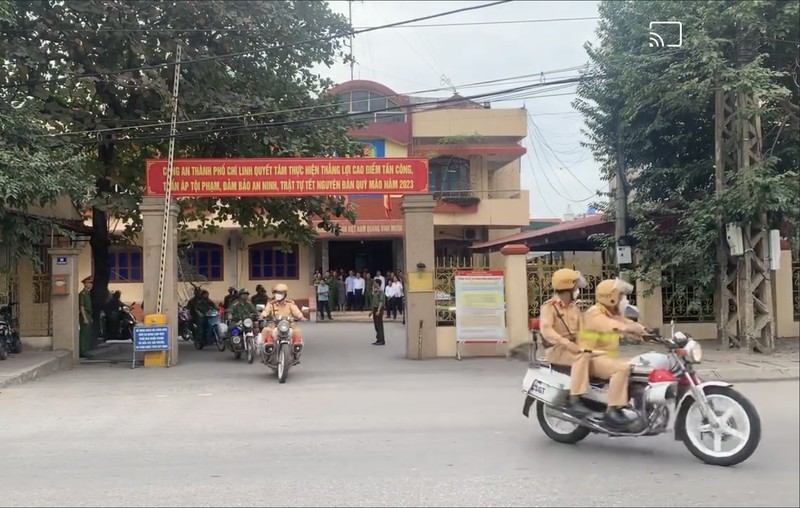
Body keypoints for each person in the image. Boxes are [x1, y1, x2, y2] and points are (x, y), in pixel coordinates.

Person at [577, 277, 648, 427]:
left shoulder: (611, 313)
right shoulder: (594, 313)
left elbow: (626, 323)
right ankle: (613, 410)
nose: (623, 299)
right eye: (620, 296)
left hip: (605, 357)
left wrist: (646, 332)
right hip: (591, 357)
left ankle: (632, 404)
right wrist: (628, 328)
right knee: (621, 369)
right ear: (610, 298)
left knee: (638, 368)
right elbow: (611, 325)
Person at [78, 276, 93, 358]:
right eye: (90, 283)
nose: (91, 285)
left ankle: (86, 350)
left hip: (89, 315)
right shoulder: (82, 294)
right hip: (85, 315)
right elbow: (81, 307)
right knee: (84, 334)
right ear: (85, 284)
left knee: (88, 334)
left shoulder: (89, 294)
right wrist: (84, 318)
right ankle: (83, 351)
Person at [368, 278, 386, 345]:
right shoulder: (375, 291)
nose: (374, 284)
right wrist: (372, 311)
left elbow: (381, 301)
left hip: (379, 309)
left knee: (379, 324)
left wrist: (378, 310)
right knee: (376, 325)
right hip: (375, 309)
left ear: (378, 284)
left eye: (375, 283)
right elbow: (374, 302)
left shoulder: (381, 291)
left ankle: (381, 340)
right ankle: (378, 339)